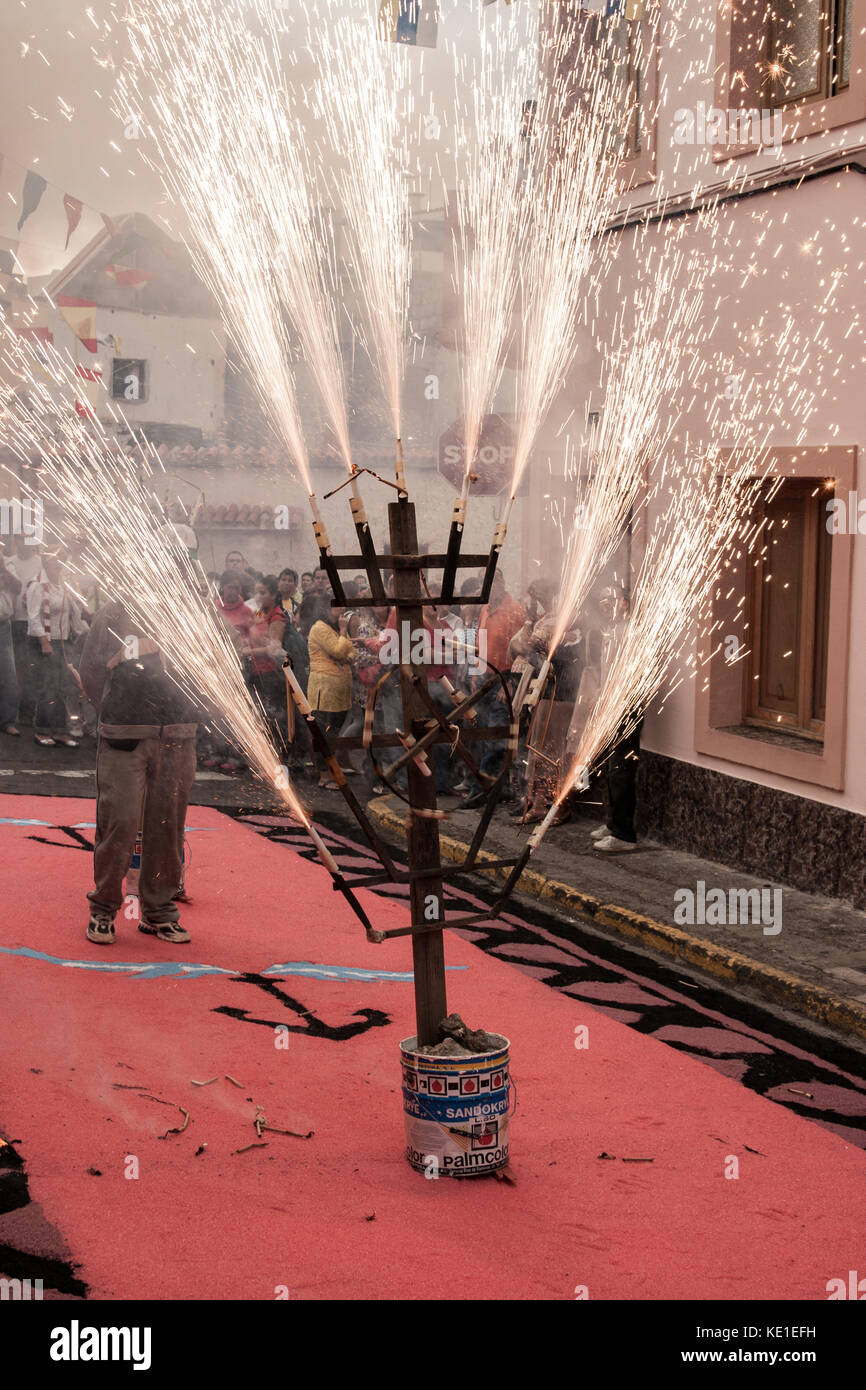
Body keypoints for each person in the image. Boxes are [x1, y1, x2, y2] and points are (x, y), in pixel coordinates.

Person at [79, 596, 203, 945]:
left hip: (179, 735)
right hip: (124, 734)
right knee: (119, 821)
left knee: (168, 826)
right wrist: (115, 708)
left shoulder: (189, 612)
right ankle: (103, 907)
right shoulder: (113, 613)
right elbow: (91, 672)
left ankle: (159, 911)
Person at [458, 571, 526, 809]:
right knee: (487, 734)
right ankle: (499, 788)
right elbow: (479, 642)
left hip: (504, 680)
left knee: (495, 737)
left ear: (502, 582)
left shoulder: (514, 610)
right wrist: (476, 673)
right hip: (485, 678)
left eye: (493, 580)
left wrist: (510, 682)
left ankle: (481, 790)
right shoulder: (486, 608)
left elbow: (523, 651)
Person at [591, 585, 640, 853]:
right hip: (610, 705)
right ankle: (611, 824)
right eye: (601, 599)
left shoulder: (631, 632)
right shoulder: (610, 630)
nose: (604, 604)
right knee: (611, 766)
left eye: (610, 599)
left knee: (621, 768)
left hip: (626, 706)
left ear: (625, 602)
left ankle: (623, 833)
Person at [27, 552, 86, 747]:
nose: (57, 567)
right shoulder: (37, 585)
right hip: (44, 641)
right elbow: (33, 617)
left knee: (63, 686)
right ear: (46, 564)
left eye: (59, 563)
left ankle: (60, 730)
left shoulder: (63, 585)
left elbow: (72, 612)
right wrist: (45, 642)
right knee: (48, 687)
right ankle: (42, 730)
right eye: (53, 563)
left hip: (63, 641)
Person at [307, 594, 355, 789]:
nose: (341, 610)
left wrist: (346, 655)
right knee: (323, 732)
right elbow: (337, 650)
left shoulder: (335, 628)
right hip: (324, 688)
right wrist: (344, 632)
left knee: (334, 731)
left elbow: (351, 650)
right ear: (326, 608)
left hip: (339, 688)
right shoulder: (320, 628)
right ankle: (324, 775)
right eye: (336, 606)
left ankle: (331, 768)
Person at [246, 575, 289, 756]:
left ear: (273, 595)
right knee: (260, 714)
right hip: (257, 671)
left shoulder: (277, 616)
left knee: (272, 716)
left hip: (271, 674)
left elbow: (274, 649)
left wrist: (248, 652)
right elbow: (253, 629)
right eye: (257, 592)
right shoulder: (261, 611)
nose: (258, 596)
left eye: (262, 593)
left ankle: (279, 754)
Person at [0, 544, 22, 735]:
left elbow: (18, 586)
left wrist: (3, 568)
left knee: (9, 676)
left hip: (3, 626)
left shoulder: (8, 564)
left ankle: (7, 721)